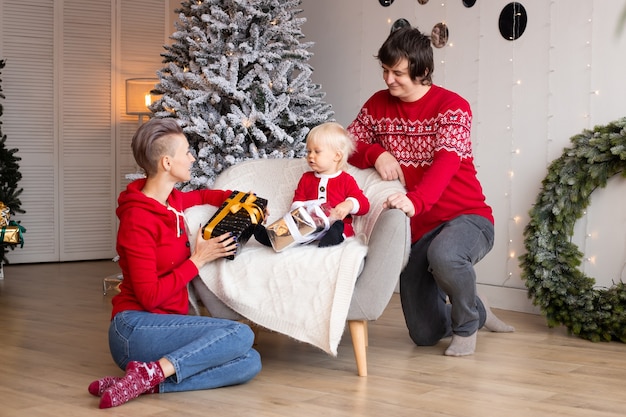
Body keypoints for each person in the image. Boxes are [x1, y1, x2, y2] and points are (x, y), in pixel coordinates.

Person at [347, 26, 514, 357]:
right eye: (385, 70)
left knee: (446, 256)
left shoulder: (453, 107)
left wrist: (414, 200)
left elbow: (446, 163)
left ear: (422, 72)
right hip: (420, 226)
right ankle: (478, 310)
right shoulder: (377, 106)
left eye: (397, 73)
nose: (388, 79)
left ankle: (466, 326)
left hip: (467, 217)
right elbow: (348, 143)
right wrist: (376, 153)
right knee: (425, 334)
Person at [88, 118, 261, 409]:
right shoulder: (137, 219)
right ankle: (152, 372)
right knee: (240, 333)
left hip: (166, 326)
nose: (192, 158)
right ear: (167, 163)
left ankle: (143, 382)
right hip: (134, 329)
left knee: (249, 362)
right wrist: (198, 259)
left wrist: (243, 202)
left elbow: (205, 195)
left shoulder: (173, 201)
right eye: (187, 153)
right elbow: (149, 296)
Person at [255, 122, 370, 248]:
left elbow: (364, 204)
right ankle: (271, 237)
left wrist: (349, 204)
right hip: (308, 224)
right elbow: (297, 201)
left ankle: (333, 238)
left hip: (334, 223)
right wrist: (304, 211)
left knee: (340, 227)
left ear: (337, 156)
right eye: (309, 151)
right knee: (293, 226)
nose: (310, 156)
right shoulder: (306, 178)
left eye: (317, 151)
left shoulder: (346, 180)